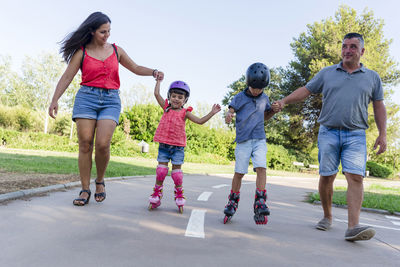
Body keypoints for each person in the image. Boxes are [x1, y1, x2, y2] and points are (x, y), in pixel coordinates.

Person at [272, 33, 387, 241]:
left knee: (355, 177)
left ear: (362, 51)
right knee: (327, 176)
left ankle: (353, 227)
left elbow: (379, 106)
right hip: (328, 132)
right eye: (344, 46)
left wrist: (383, 134)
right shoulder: (327, 73)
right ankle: (327, 216)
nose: (347, 50)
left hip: (356, 134)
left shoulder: (372, 77)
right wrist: (284, 101)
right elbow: (306, 90)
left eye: (353, 47)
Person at [48, 12, 164, 206]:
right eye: (103, 32)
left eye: (109, 31)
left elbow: (134, 67)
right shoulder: (81, 52)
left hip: (111, 99)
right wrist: (55, 99)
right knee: (85, 143)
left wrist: (153, 72)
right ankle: (85, 189)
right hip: (86, 97)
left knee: (102, 143)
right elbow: (67, 76)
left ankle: (100, 181)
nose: (107, 35)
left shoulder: (116, 50)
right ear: (92, 31)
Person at [148, 78, 221, 213]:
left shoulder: (185, 112)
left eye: (180, 97)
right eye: (173, 96)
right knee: (161, 171)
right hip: (164, 146)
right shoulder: (166, 108)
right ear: (169, 97)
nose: (176, 99)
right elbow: (157, 94)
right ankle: (157, 193)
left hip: (178, 148)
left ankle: (179, 193)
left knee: (177, 174)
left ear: (185, 100)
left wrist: (212, 113)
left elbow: (199, 121)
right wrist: (158, 81)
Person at [223, 62, 276, 225]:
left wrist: (273, 110)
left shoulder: (265, 97)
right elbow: (230, 112)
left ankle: (260, 200)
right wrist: (228, 115)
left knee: (261, 167)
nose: (257, 91)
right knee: (240, 172)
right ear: (248, 83)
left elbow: (264, 116)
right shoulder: (239, 97)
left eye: (260, 89)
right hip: (243, 140)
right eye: (254, 88)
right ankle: (233, 200)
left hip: (259, 139)